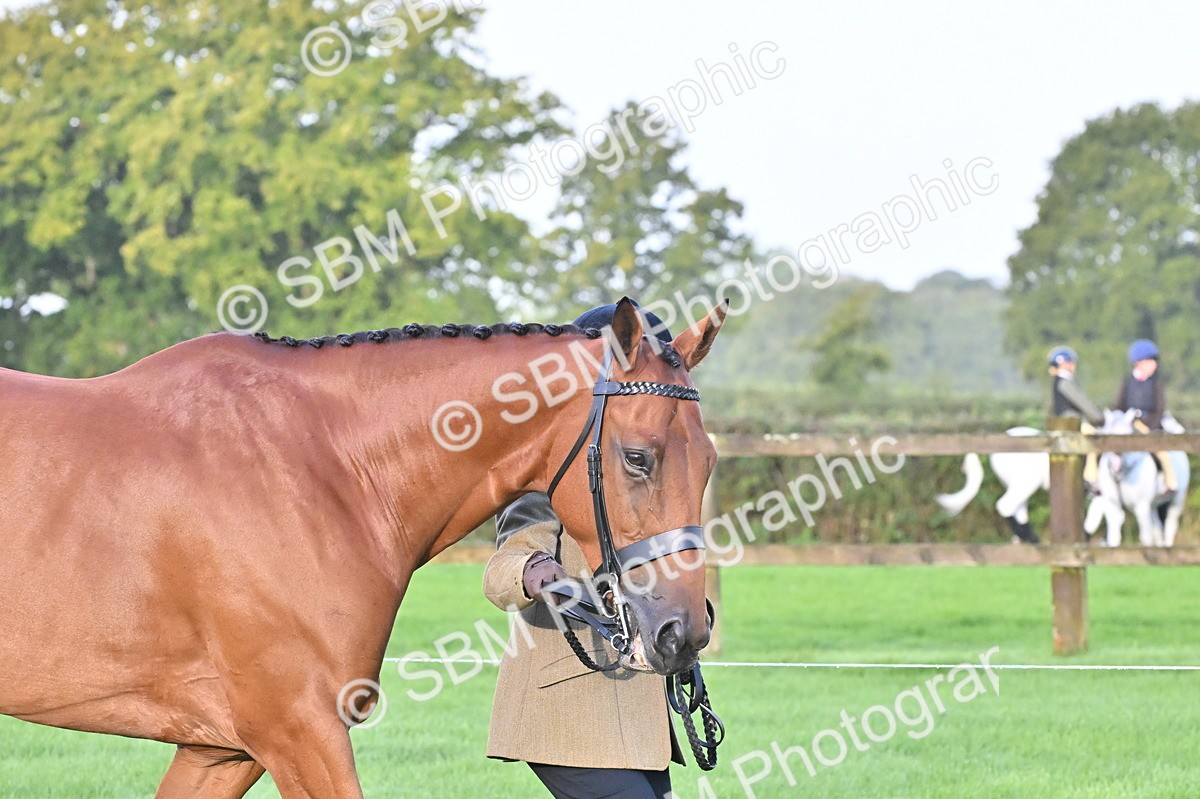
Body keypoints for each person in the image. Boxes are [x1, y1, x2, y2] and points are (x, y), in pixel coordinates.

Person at [482, 303, 686, 799]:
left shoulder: (641, 476)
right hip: (566, 712)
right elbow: (504, 565)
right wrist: (533, 571)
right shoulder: (551, 468)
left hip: (638, 715)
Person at [1114, 339, 1177, 502]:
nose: (1154, 365)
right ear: (1138, 363)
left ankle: (1170, 483)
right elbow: (1119, 406)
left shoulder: (1155, 384)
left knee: (1162, 454)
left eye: (1154, 361)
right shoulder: (1127, 382)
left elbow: (1159, 409)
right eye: (1150, 361)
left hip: (1149, 426)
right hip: (1129, 425)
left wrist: (1149, 425)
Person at [1047, 346, 1104, 494]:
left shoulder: (1059, 381)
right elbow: (1083, 403)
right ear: (1064, 364)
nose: (1073, 365)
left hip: (1067, 422)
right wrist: (1098, 418)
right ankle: (1090, 479)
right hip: (1071, 423)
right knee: (1094, 440)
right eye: (1070, 362)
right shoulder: (1065, 382)